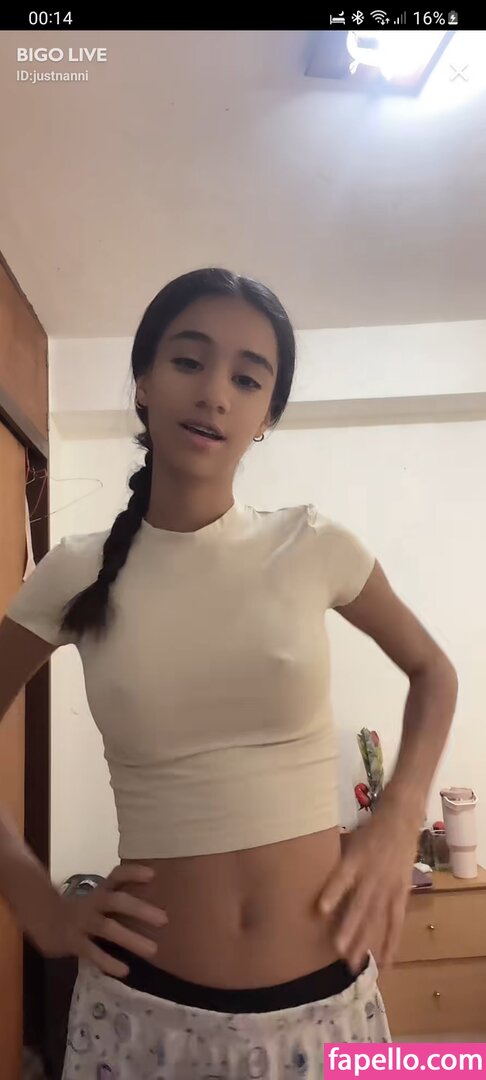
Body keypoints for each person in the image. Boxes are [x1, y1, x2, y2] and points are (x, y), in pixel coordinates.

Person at [0, 268, 457, 1078]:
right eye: (188, 361)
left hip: (326, 1009)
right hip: (140, 1014)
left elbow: (433, 671)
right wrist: (40, 907)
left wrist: (399, 815)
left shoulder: (313, 545)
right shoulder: (75, 572)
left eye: (248, 379)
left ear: (266, 416)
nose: (215, 393)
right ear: (143, 381)